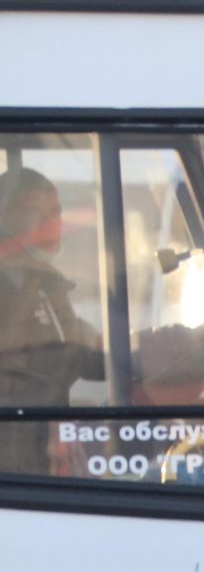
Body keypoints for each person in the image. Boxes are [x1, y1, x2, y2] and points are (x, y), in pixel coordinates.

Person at [0, 167, 101, 474]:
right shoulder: (15, 285)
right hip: (15, 466)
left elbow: (87, 351)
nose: (50, 224)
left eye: (55, 212)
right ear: (5, 218)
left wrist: (172, 348)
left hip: (37, 455)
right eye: (34, 212)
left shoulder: (42, 284)